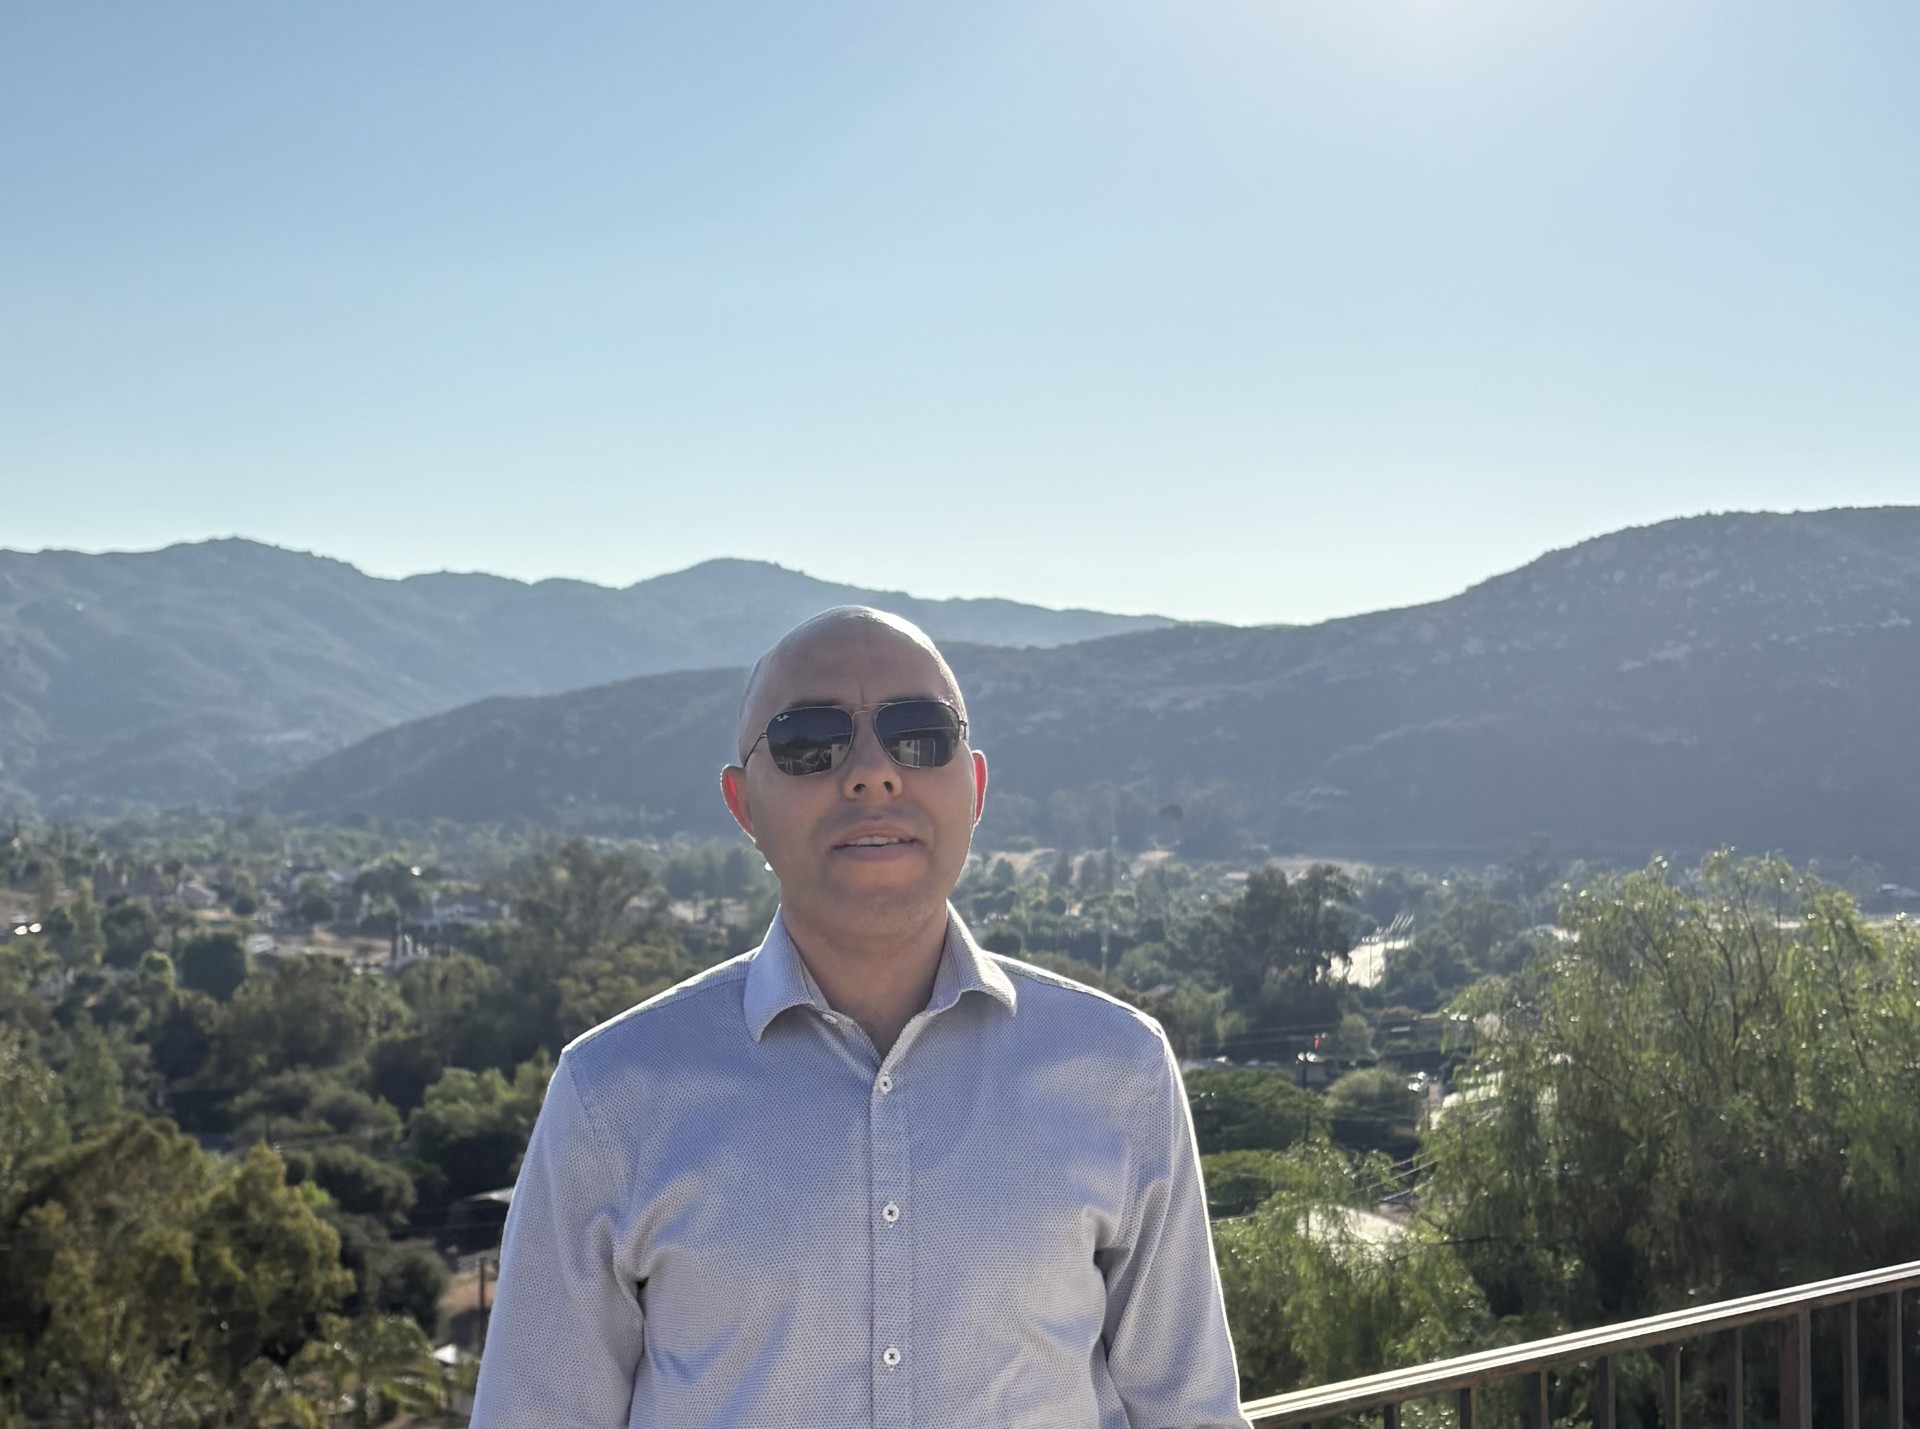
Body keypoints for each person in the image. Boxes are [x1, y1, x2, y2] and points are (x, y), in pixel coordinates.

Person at [471, 606, 1249, 1429]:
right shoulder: (613, 1098)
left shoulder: (1118, 1070)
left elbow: (1189, 1415)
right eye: (811, 741)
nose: (873, 773)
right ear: (744, 803)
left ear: (976, 787)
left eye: (920, 735)